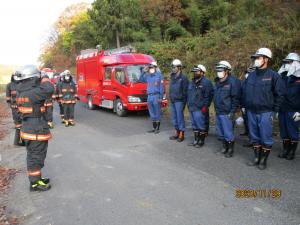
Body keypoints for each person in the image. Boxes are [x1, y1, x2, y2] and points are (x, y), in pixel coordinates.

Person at [15, 65, 54, 191]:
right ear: (32, 79)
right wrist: (45, 77)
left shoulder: (21, 92)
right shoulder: (33, 92)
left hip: (29, 126)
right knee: (36, 156)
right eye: (37, 77)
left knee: (34, 155)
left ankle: (37, 179)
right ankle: (35, 184)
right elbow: (49, 89)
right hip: (35, 128)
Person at [244, 48, 284, 170]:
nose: (256, 60)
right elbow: (245, 91)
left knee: (265, 137)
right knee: (254, 136)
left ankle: (263, 160)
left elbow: (280, 95)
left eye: (258, 58)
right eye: (255, 58)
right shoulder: (251, 75)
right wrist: (244, 106)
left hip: (266, 112)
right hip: (251, 111)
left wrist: (275, 111)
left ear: (266, 59)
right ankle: (256, 158)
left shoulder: (274, 76)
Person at [214, 61, 240, 158]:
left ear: (227, 71)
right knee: (220, 131)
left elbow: (235, 98)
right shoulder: (217, 82)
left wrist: (233, 111)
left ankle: (230, 149)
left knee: (228, 132)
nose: (219, 72)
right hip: (218, 111)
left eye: (221, 70)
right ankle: (224, 147)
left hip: (227, 112)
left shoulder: (232, 82)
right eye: (218, 70)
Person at [278, 53, 300, 160]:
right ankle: (285, 150)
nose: (287, 64)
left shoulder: (298, 78)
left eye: (289, 62)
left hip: (294, 110)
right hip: (283, 109)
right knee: (284, 131)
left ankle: (292, 152)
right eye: (286, 62)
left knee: (293, 132)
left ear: (296, 63)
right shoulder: (283, 76)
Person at [187, 64, 213, 147]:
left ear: (202, 72)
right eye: (194, 72)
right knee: (194, 125)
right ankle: (196, 140)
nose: (195, 73)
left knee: (200, 125)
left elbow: (209, 96)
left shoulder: (206, 82)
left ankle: (201, 141)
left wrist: (205, 106)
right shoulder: (192, 82)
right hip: (192, 107)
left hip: (199, 108)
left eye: (197, 71)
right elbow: (189, 94)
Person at [140, 62, 164, 134]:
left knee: (157, 112)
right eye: (150, 68)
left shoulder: (159, 76)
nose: (151, 69)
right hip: (149, 96)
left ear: (155, 68)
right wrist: (143, 72)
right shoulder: (148, 76)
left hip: (156, 96)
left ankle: (157, 128)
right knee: (151, 112)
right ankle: (153, 128)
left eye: (152, 67)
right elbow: (140, 80)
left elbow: (161, 88)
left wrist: (161, 97)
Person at [169, 59, 189, 142]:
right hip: (173, 100)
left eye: (174, 67)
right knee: (174, 118)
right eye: (172, 67)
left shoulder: (183, 78)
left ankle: (181, 134)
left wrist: (184, 103)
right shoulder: (172, 76)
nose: (173, 68)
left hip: (179, 101)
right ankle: (177, 133)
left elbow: (185, 92)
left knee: (180, 117)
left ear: (179, 67)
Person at [6, 73, 24, 146]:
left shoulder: (23, 84)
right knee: (18, 125)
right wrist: (11, 105)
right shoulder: (9, 85)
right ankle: (18, 142)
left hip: (23, 107)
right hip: (15, 108)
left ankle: (22, 141)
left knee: (23, 124)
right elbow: (8, 98)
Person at [241, 67, 255, 147]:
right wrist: (242, 105)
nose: (247, 74)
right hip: (245, 105)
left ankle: (254, 141)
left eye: (249, 73)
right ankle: (251, 139)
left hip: (253, 107)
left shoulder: (254, 82)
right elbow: (243, 94)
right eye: (247, 73)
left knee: (253, 124)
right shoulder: (245, 82)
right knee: (248, 123)